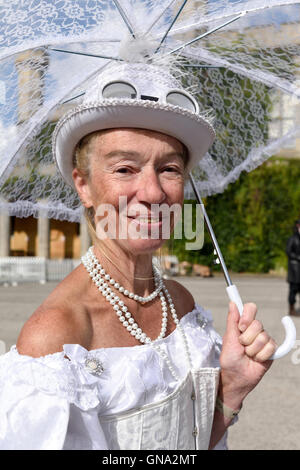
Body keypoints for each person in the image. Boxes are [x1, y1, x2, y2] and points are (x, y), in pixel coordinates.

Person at [0, 61, 277, 450]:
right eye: (125, 169)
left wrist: (231, 390)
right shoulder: (57, 338)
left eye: (169, 169)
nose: (152, 192)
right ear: (84, 185)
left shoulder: (181, 305)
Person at [286, 219, 300, 316]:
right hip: (295, 270)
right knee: (293, 290)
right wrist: (298, 257)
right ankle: (291, 309)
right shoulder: (293, 238)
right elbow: (288, 251)